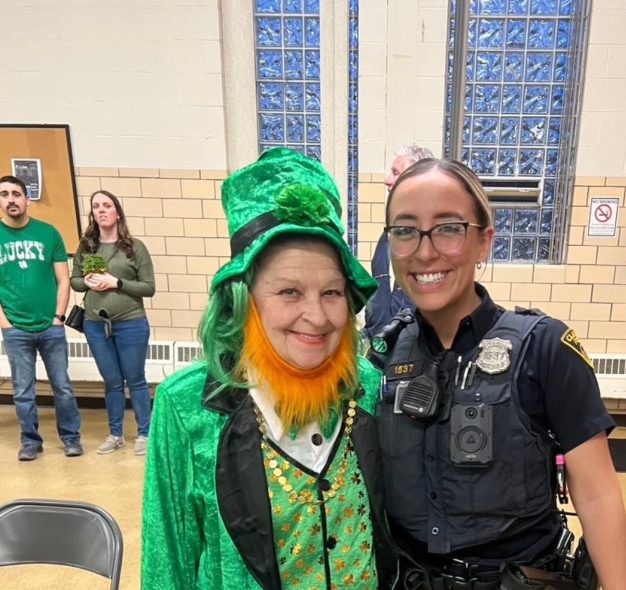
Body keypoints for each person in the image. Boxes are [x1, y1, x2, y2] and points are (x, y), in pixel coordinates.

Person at [141, 148, 398, 589]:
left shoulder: (367, 386)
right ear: (245, 300)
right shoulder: (186, 407)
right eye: (289, 292)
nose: (317, 317)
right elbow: (168, 563)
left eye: (333, 292)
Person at [376, 159, 626, 589]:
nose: (424, 251)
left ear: (484, 242)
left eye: (448, 227)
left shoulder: (544, 348)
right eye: (405, 230)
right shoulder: (380, 358)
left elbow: (598, 494)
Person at [0, 175, 83, 461]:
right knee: (23, 391)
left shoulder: (49, 233)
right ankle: (31, 441)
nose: (10, 199)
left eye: (15, 194)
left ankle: (71, 437)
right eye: (4, 194)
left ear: (27, 199)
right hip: (15, 328)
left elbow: (64, 279)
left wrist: (58, 317)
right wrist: (5, 323)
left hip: (51, 327)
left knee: (62, 387)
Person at [70, 190, 155, 455]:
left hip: (130, 322)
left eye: (107, 205)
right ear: (92, 214)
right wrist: (89, 282)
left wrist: (116, 282)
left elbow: (149, 287)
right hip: (96, 324)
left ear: (117, 212)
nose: (101, 210)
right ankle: (115, 433)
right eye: (96, 206)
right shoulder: (87, 247)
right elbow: (74, 280)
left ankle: (144, 433)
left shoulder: (135, 247)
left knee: (136, 379)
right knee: (112, 381)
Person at [364, 145, 434, 342]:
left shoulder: (433, 237)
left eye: (396, 173)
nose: (387, 180)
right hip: (378, 347)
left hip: (413, 352)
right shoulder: (387, 234)